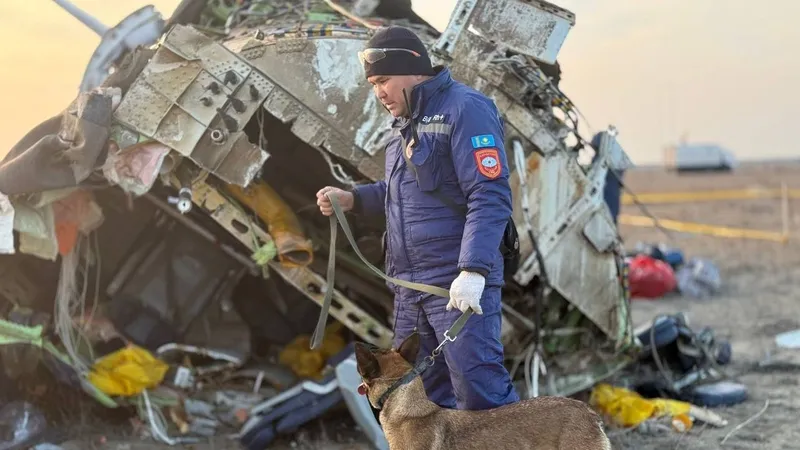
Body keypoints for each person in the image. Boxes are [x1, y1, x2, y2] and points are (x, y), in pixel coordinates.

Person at [316, 26, 519, 411]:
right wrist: (353, 199)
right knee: (420, 402)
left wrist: (473, 271)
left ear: (413, 67)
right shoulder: (404, 126)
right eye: (373, 84)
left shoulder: (466, 109)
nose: (379, 93)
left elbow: (489, 194)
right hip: (410, 290)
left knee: (481, 396)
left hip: (454, 287)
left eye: (383, 80)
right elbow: (402, 196)